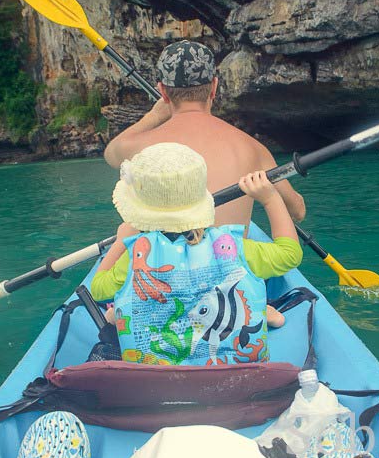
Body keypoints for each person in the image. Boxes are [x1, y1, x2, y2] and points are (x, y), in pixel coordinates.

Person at [91, 143, 302, 365]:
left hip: (157, 378)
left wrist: (121, 241)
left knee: (116, 310)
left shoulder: (136, 255)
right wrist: (271, 199)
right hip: (237, 372)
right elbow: (290, 254)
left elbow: (98, 289)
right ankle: (263, 310)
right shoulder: (231, 246)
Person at [103, 40, 306, 228]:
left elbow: (111, 154)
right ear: (214, 87)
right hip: (228, 262)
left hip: (164, 261)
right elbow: (297, 210)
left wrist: (154, 115)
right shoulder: (251, 147)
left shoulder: (141, 146)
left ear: (163, 91)